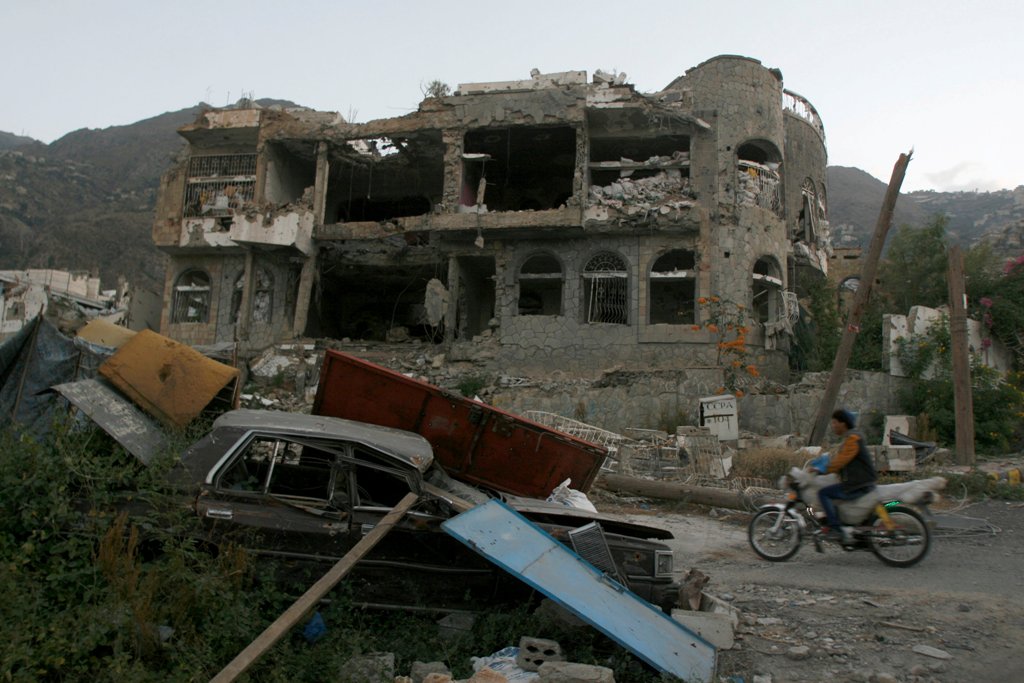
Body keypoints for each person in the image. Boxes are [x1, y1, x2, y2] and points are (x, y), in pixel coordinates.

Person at [818, 408, 877, 542]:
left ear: (843, 423)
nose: (833, 426)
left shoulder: (853, 439)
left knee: (823, 493)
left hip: (858, 484)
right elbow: (842, 460)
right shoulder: (851, 437)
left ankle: (835, 529)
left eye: (834, 423)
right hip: (861, 482)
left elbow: (842, 460)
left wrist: (822, 470)